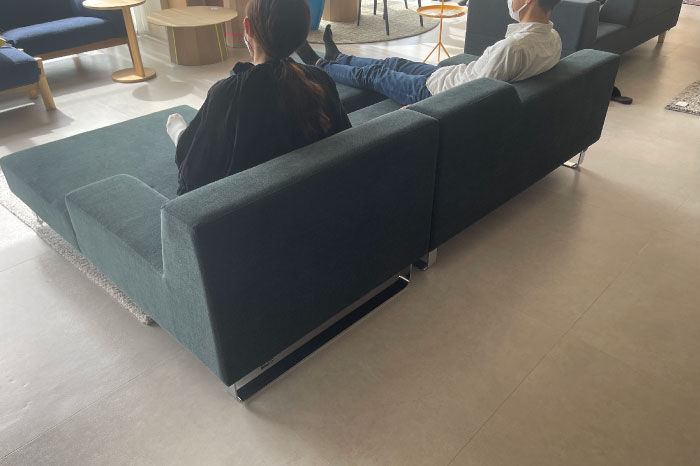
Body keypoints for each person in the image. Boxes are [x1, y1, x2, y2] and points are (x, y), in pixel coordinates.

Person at [167, 0, 351, 195]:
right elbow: (344, 140)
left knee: (176, 126)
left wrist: (178, 132)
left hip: (256, 210)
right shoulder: (320, 80)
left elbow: (193, 176)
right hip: (323, 200)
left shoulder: (227, 95)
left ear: (248, 27)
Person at [296, 0, 562, 106]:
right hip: (451, 75)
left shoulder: (513, 47)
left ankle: (319, 63)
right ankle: (339, 57)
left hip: (436, 92)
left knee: (377, 74)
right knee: (395, 61)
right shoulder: (552, 38)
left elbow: (475, 95)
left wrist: (428, 108)